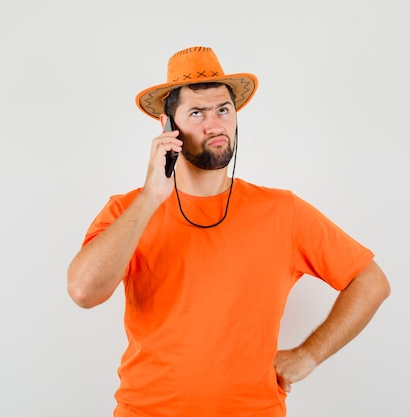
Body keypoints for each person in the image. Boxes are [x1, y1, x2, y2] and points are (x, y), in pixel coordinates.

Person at [67, 46, 390, 417]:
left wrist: (308, 355)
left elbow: (370, 281)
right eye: (196, 113)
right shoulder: (128, 211)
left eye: (223, 110)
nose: (215, 124)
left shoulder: (283, 211)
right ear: (168, 127)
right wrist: (152, 196)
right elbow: (83, 292)